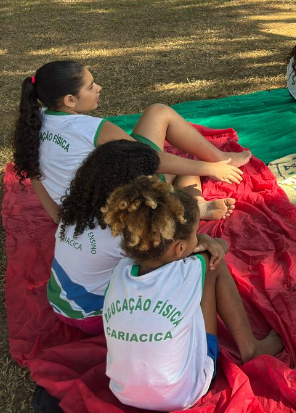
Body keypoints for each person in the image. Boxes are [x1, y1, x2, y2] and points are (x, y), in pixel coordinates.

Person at [102, 177, 282, 411]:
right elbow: (220, 248)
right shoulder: (194, 268)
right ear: (179, 248)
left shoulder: (120, 271)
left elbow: (173, 256)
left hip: (123, 392)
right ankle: (250, 348)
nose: (199, 238)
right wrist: (207, 241)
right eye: (196, 234)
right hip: (184, 393)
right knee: (214, 263)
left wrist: (196, 240)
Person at [13, 60, 242, 223]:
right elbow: (153, 160)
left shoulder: (33, 124)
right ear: (70, 100)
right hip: (123, 207)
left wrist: (60, 217)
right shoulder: (93, 128)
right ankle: (202, 195)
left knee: (162, 128)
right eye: (91, 86)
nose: (98, 88)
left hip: (83, 213)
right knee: (179, 154)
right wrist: (210, 168)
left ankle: (200, 192)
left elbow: (35, 175)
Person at [49, 140, 204, 334]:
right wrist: (205, 238)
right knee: (206, 263)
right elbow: (175, 252)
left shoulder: (80, 207)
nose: (155, 178)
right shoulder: (129, 231)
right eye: (151, 177)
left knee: (182, 175)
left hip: (59, 299)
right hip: (95, 316)